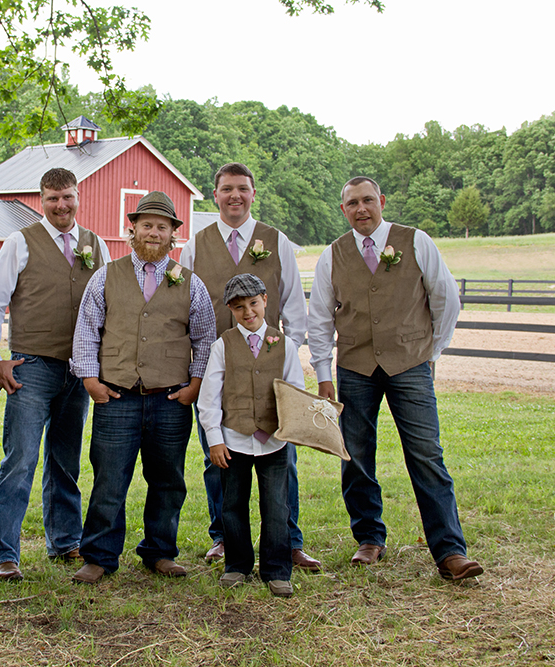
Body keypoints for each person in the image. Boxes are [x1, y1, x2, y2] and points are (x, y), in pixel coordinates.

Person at [309, 176, 483, 581]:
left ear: (382, 201)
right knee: (354, 456)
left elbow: (445, 299)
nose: (361, 209)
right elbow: (319, 319)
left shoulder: (416, 241)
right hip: (354, 369)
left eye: (368, 200)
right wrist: (323, 374)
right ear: (343, 209)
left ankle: (450, 552)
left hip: (411, 366)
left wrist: (429, 352)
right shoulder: (331, 256)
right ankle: (368, 538)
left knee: (426, 454)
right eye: (352, 203)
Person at [70, 191, 215, 584]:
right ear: (132, 229)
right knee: (109, 478)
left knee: (168, 479)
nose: (154, 232)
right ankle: (99, 555)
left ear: (173, 236)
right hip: (117, 396)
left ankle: (160, 552)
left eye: (162, 227)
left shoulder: (191, 283)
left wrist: (195, 385)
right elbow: (87, 329)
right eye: (147, 225)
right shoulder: (106, 275)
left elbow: (204, 337)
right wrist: (89, 380)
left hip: (171, 397)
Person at [179, 163, 317, 571]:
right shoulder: (195, 245)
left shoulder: (276, 241)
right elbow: (186, 309)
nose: (234, 196)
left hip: (269, 367)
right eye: (226, 189)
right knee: (218, 457)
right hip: (217, 368)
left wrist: (286, 353)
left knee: (281, 457)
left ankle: (288, 540)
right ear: (215, 195)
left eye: (242, 189)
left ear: (253, 193)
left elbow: (293, 304)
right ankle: (224, 538)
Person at [0, 168, 111, 580]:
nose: (61, 205)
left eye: (68, 197)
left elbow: (109, 307)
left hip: (80, 369)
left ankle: (66, 541)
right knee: (21, 459)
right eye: (53, 199)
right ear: (41, 200)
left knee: (65, 460)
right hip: (31, 366)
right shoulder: (20, 242)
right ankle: (3, 552)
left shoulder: (96, 245)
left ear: (78, 196)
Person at [198, 274, 306, 596]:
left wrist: (292, 427)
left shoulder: (283, 344)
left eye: (253, 304)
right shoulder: (223, 346)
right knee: (232, 505)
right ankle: (237, 564)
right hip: (233, 441)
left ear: (265, 301)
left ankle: (276, 569)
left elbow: (295, 391)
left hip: (274, 442)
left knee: (276, 505)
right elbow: (209, 398)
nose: (248, 313)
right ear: (231, 309)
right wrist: (215, 439)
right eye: (240, 307)